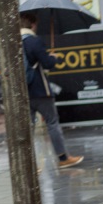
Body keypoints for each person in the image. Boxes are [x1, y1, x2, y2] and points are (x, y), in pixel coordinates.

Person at [20, 13, 84, 169]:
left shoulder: (14, 43)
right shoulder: (34, 42)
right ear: (33, 24)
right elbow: (47, 64)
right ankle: (63, 158)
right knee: (52, 123)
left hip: (22, 92)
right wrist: (53, 57)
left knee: (28, 128)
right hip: (40, 91)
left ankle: (29, 164)